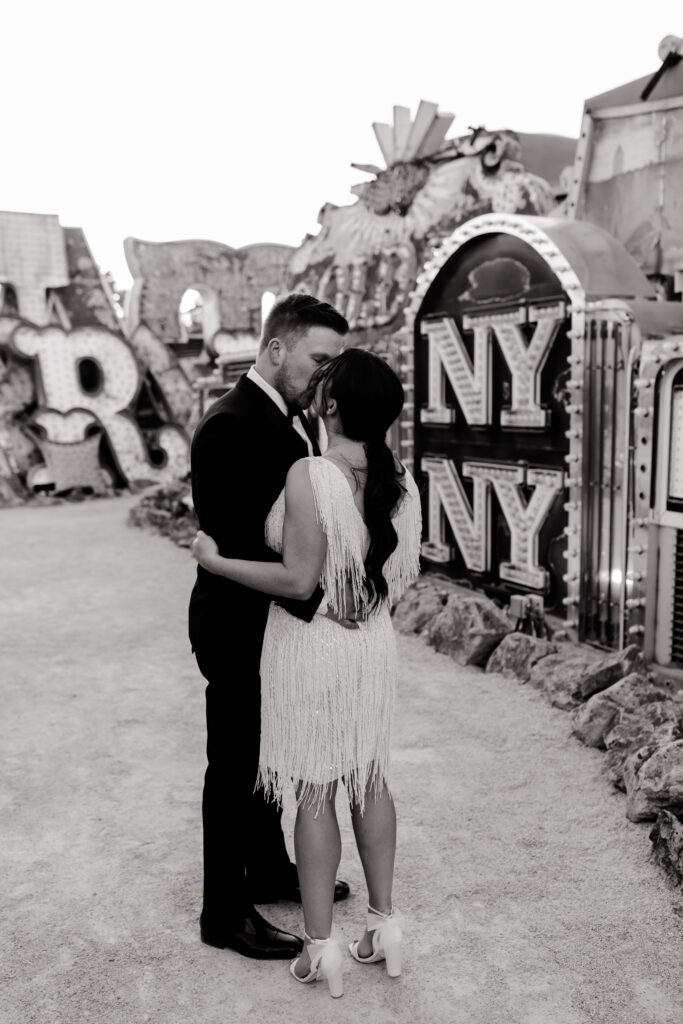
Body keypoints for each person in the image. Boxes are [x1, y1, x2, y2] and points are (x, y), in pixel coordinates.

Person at [191, 348, 422, 998]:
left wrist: (215, 560)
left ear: (328, 406)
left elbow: (295, 578)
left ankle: (321, 951)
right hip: (371, 643)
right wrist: (361, 603)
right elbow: (398, 578)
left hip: (317, 645)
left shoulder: (310, 474)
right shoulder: (399, 479)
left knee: (318, 789)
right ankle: (384, 927)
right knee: (370, 777)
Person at [188, 293, 351, 961]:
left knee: (265, 758)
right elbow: (234, 541)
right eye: (319, 359)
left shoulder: (283, 415)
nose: (326, 376)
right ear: (277, 348)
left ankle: (269, 870)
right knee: (232, 767)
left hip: (270, 621)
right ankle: (223, 913)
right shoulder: (230, 423)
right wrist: (313, 592)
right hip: (234, 622)